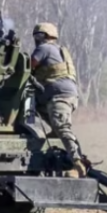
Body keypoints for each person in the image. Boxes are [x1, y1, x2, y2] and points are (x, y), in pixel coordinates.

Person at [29, 22, 87, 177]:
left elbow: (27, 66)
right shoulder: (59, 50)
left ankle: (78, 163)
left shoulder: (44, 49)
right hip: (66, 95)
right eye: (35, 36)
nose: (37, 39)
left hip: (59, 96)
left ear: (48, 36)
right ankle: (57, 137)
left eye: (39, 35)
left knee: (62, 127)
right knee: (33, 106)